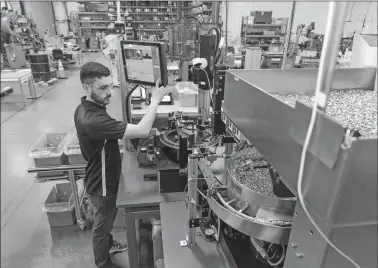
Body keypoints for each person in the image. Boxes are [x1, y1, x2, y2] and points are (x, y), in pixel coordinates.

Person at [74, 62, 168, 268]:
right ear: (87, 88)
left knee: (105, 221)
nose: (110, 93)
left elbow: (107, 136)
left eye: (110, 86)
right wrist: (155, 101)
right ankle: (103, 262)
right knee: (102, 226)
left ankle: (109, 245)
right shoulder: (93, 120)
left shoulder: (85, 107)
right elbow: (142, 130)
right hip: (102, 184)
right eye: (103, 88)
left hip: (99, 174)